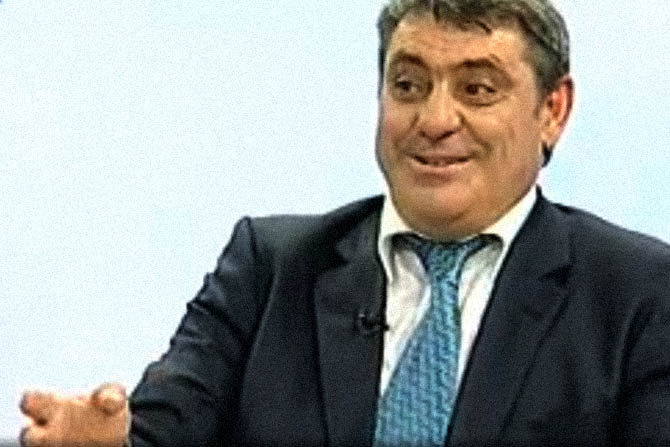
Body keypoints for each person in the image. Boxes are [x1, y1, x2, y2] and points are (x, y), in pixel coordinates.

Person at [20, 0, 670, 445]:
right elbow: (161, 430)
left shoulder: (640, 292)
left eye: (477, 89)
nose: (435, 119)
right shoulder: (269, 267)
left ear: (552, 110)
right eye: (409, 85)